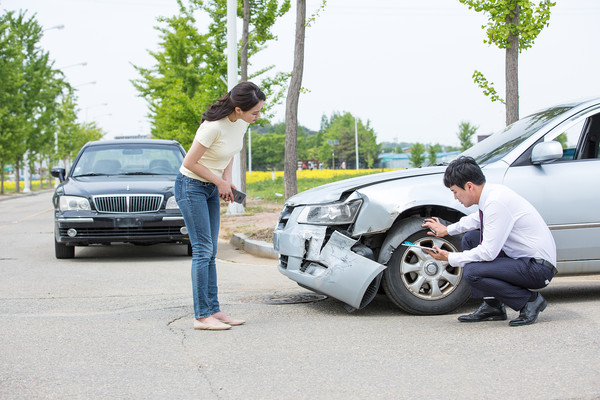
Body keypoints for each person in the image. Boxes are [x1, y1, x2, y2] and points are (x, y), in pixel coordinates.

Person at [422, 156, 557, 326]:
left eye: (455, 191)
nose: (455, 197)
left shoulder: (496, 202)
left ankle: (530, 301)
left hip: (538, 269)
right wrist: (447, 230)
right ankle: (492, 306)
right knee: (471, 239)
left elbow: (488, 252)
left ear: (469, 186)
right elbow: (476, 220)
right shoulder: (492, 195)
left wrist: (449, 258)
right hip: (524, 261)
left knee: (472, 271)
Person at [174, 82, 265, 331]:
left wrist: (226, 181)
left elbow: (230, 152)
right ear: (238, 109)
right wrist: (218, 182)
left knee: (211, 250)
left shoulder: (242, 123)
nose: (258, 116)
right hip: (190, 186)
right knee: (203, 250)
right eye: (254, 112)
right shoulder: (211, 128)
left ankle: (214, 310)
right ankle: (202, 316)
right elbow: (190, 162)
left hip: (211, 186)